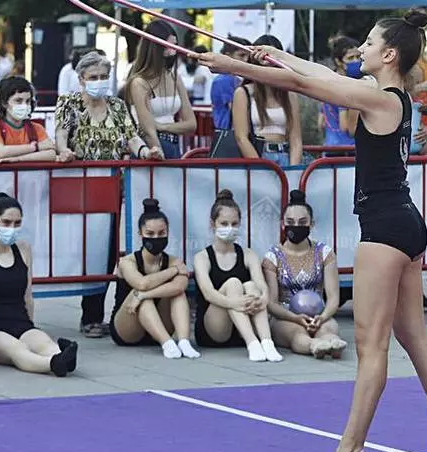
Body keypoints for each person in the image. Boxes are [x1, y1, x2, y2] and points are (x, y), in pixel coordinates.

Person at [193, 10, 427, 452]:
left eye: (369, 43)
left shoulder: (377, 97)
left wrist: (235, 66)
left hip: (385, 228)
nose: (360, 48)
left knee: (370, 346)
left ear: (389, 54)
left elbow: (306, 86)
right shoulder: (391, 95)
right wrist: (273, 55)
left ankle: (349, 450)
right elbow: (321, 75)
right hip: (405, 223)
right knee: (412, 336)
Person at [54, 51, 164, 338]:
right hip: (82, 189)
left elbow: (131, 137)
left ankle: (118, 314)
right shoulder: (69, 104)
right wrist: (63, 151)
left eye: (104, 76)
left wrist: (145, 152)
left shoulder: (116, 105)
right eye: (93, 77)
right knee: (92, 253)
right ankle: (90, 316)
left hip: (114, 188)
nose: (99, 82)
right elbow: (61, 134)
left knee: (116, 251)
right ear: (81, 79)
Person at [0, 193, 79, 375]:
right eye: (6, 222)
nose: (12, 228)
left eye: (17, 223)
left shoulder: (23, 249)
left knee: (44, 343)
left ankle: (62, 356)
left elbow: (27, 295)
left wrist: (31, 325)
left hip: (20, 322)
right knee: (16, 349)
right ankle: (52, 364)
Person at [193, 190, 282, 362]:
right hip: (214, 330)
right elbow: (208, 293)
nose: (230, 228)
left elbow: (261, 285)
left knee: (251, 286)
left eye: (234, 224)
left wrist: (263, 298)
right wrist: (233, 303)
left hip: (242, 325)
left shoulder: (248, 255)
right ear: (212, 224)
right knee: (233, 283)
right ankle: (252, 344)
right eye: (224, 223)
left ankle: (266, 342)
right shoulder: (202, 258)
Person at [109, 199, 200, 359]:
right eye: (150, 234)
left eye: (161, 233)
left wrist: (143, 295)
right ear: (140, 234)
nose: (156, 238)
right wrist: (173, 271)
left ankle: (184, 342)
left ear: (167, 232)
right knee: (140, 294)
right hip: (128, 327)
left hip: (161, 323)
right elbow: (142, 284)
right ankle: (167, 344)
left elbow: (179, 287)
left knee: (176, 294)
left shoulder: (173, 260)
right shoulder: (127, 262)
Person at [262, 190, 346, 359]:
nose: (296, 226)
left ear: (311, 224)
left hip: (318, 314)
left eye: (302, 222)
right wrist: (295, 318)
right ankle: (314, 346)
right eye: (290, 222)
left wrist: (322, 317)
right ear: (282, 224)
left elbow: (333, 298)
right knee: (297, 334)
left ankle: (332, 343)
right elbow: (271, 304)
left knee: (328, 330)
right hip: (285, 317)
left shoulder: (324, 253)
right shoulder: (272, 257)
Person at [126, 20, 197, 159]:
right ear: (154, 47)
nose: (173, 51)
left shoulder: (175, 77)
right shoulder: (139, 82)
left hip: (173, 144)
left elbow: (191, 124)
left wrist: (162, 126)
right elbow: (148, 130)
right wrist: (159, 154)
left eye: (175, 45)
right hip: (151, 149)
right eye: (167, 46)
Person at [233, 35, 303, 168]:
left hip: (284, 155)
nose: (269, 64)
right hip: (257, 156)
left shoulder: (289, 94)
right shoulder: (243, 93)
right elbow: (241, 138)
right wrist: (260, 167)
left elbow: (296, 139)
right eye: (264, 58)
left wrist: (293, 170)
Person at [0, 76, 56, 163]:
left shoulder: (37, 128)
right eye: (18, 101)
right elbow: (1, 152)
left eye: (28, 101)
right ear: (4, 103)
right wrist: (35, 147)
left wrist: (17, 159)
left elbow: (51, 154)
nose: (25, 105)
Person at [319, 36, 358, 148]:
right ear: (338, 61)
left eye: (358, 57)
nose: (356, 61)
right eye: (350, 58)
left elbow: (320, 123)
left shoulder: (327, 82)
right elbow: (345, 126)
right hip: (348, 148)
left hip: (329, 146)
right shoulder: (345, 86)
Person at [210, 36, 251, 130]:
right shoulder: (224, 80)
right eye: (241, 55)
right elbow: (235, 108)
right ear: (228, 56)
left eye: (247, 56)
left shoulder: (235, 78)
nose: (246, 60)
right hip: (228, 131)